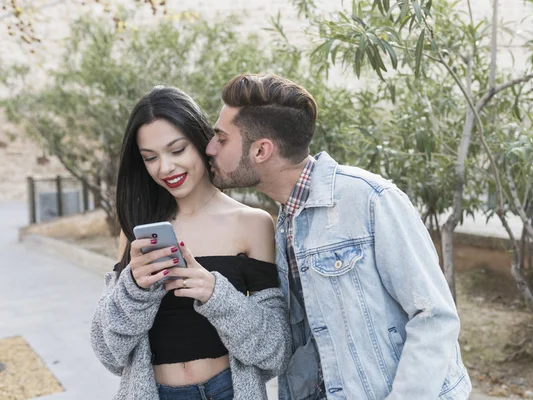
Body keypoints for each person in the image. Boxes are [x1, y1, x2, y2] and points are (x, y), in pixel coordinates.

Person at [205, 74, 472, 399]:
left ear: (261, 150)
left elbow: (434, 316)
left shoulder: (370, 199)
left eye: (221, 137)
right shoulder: (287, 219)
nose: (210, 147)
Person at [90, 85, 291, 400]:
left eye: (177, 150)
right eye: (150, 157)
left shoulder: (252, 224)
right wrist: (134, 289)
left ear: (200, 142)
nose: (165, 168)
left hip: (228, 391)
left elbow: (275, 351)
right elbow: (109, 353)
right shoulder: (135, 232)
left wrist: (216, 294)